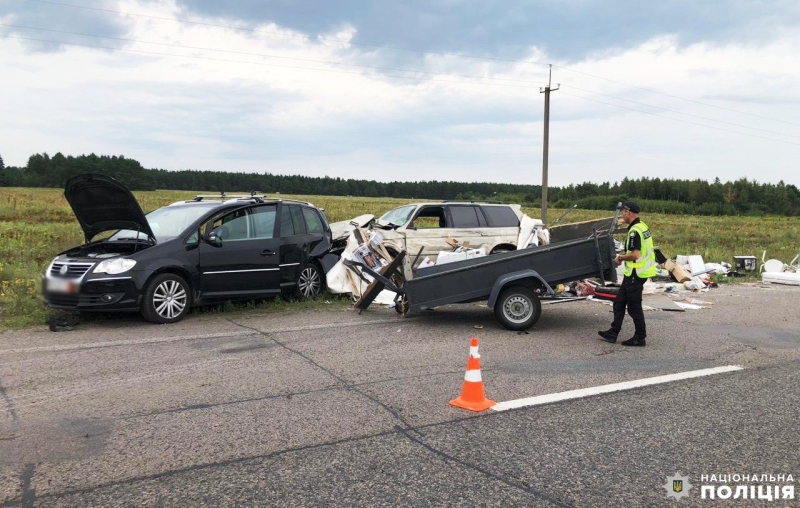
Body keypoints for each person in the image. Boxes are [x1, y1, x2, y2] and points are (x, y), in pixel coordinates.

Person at [598, 201, 657, 347]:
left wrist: (620, 258)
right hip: (636, 273)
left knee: (634, 307)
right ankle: (613, 332)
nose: (622, 215)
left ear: (628, 212)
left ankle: (640, 337)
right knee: (619, 303)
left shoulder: (634, 231)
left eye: (623, 212)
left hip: (636, 274)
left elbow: (635, 254)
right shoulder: (643, 226)